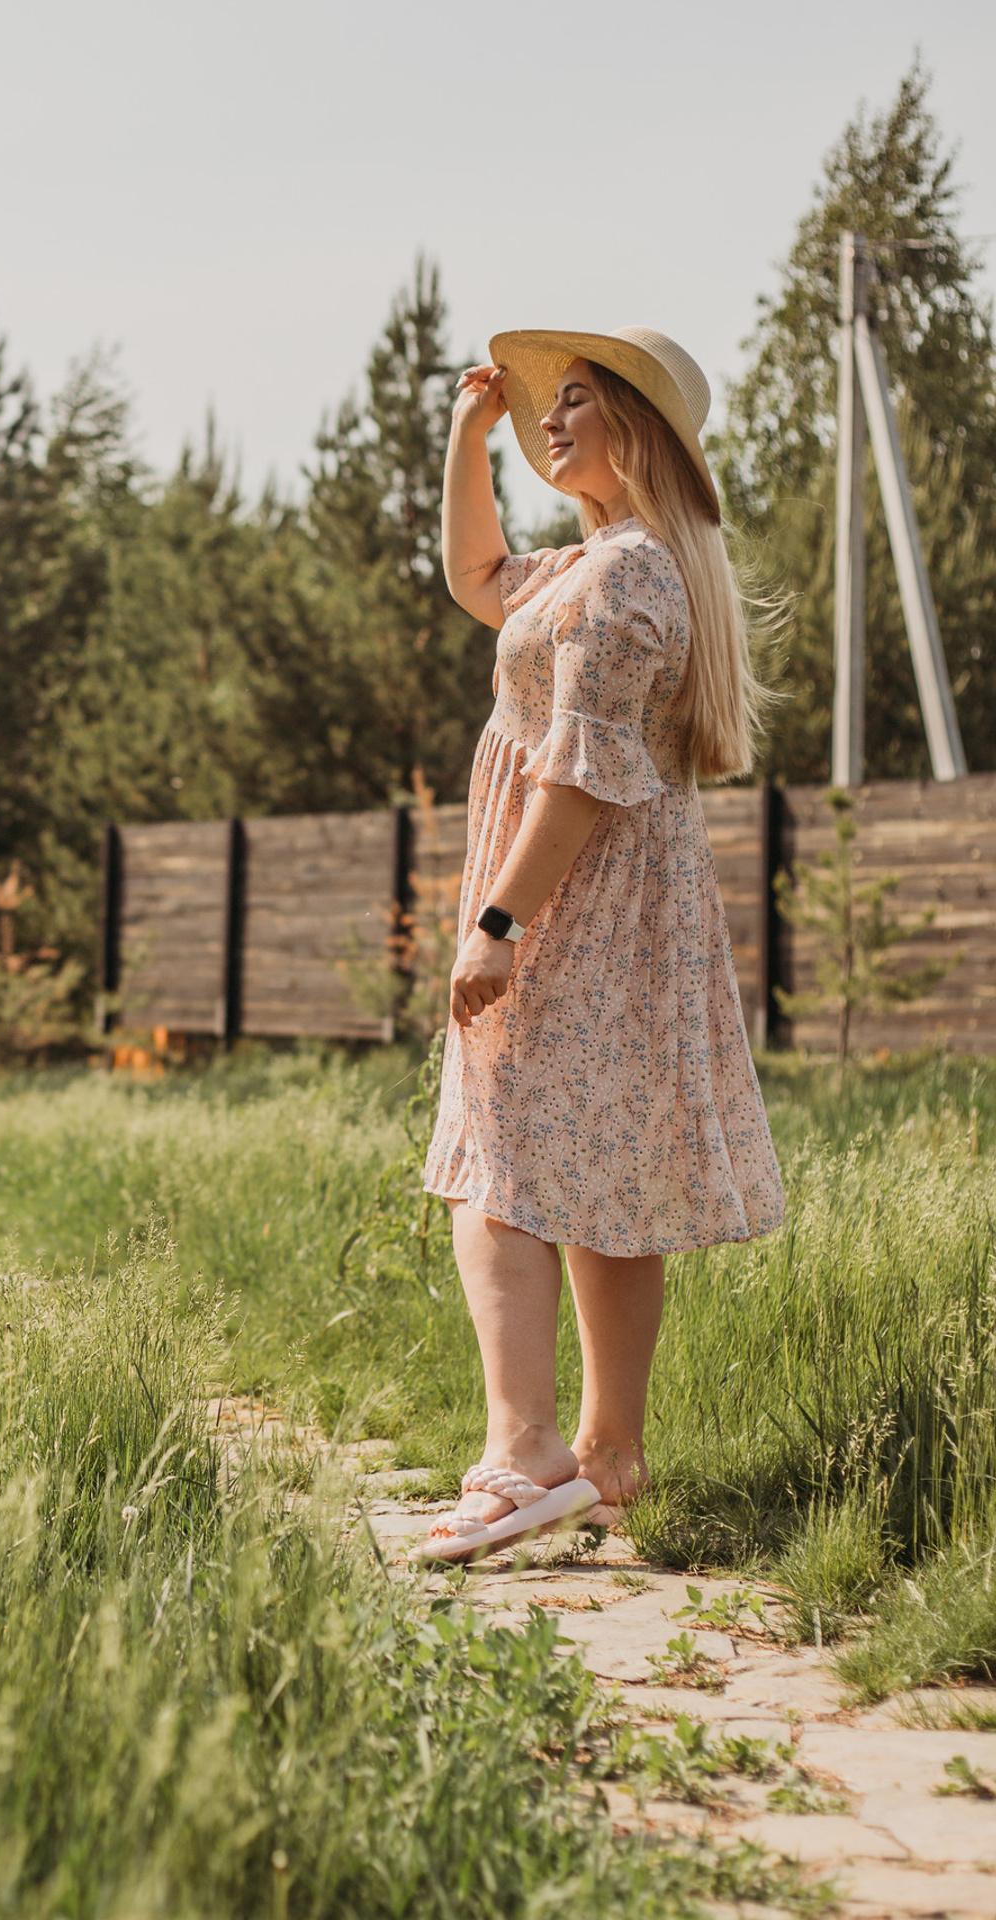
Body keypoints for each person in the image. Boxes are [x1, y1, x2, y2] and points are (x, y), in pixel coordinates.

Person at [415, 327, 784, 1564]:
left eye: (576, 402)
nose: (551, 421)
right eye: (546, 406)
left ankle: (522, 1451)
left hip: (576, 901)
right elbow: (476, 575)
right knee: (604, 1162)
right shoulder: (600, 565)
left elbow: (574, 780)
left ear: (639, 429)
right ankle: (609, 1456)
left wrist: (500, 926)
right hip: (621, 906)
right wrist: (468, 436)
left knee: (503, 1155)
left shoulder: (626, 581)